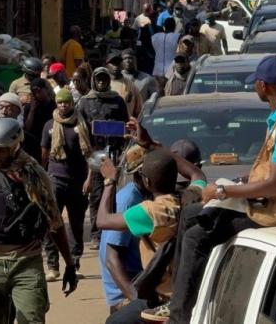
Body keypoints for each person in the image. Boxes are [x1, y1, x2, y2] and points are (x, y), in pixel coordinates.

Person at [166, 55, 276, 324]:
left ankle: (180, 318)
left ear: (263, 86)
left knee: (196, 236)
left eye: (256, 84)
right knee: (191, 213)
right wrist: (238, 182)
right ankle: (174, 300)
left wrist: (221, 193)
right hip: (272, 201)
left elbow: (274, 186)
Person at [0, 118, 78, 323]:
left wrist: (69, 264)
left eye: (1, 149)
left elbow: (54, 223)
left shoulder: (36, 175)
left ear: (15, 144)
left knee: (31, 319)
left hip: (26, 262)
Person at [99, 134, 207, 324]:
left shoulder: (149, 211)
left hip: (165, 298)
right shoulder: (192, 197)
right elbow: (197, 175)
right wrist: (155, 146)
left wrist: (109, 182)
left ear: (146, 181)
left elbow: (102, 220)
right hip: (191, 291)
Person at [41, 89, 90, 281]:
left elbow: (90, 155)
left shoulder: (82, 125)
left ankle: (75, 263)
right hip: (55, 180)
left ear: (72, 104)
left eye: (66, 102)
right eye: (60, 103)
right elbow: (44, 155)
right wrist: (43, 179)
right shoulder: (49, 126)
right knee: (52, 223)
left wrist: (89, 179)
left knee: (76, 225)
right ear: (56, 104)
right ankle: (52, 266)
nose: (63, 106)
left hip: (78, 182)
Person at [77, 68, 129, 249]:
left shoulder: (118, 101)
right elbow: (81, 131)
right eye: (98, 79)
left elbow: (126, 126)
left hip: (116, 154)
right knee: (97, 194)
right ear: (93, 80)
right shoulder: (85, 102)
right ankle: (96, 234)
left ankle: (114, 231)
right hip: (95, 155)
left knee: (116, 194)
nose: (101, 82)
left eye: (104, 78)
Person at [98, 146, 147, 314]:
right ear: (142, 174)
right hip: (125, 292)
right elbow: (112, 259)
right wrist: (136, 301)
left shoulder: (144, 196)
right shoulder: (128, 201)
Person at [22, 78, 57, 159]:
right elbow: (27, 128)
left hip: (50, 142)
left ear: (46, 89)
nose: (37, 95)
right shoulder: (29, 107)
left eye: (39, 91)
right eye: (34, 92)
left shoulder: (54, 105)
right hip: (34, 144)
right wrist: (32, 110)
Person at [106, 52, 143, 118]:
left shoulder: (131, 86)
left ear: (122, 65)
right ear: (107, 65)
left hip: (126, 125)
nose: (115, 66)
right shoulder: (103, 85)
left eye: (118, 63)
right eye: (113, 63)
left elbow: (139, 111)